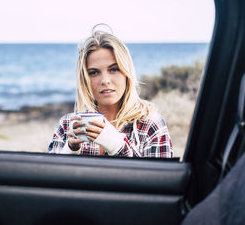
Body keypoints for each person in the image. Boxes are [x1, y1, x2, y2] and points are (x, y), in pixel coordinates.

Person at [47, 24, 173, 158]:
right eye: (94, 72)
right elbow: (50, 177)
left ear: (126, 73)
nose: (105, 80)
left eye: (114, 69)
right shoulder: (68, 125)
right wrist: (71, 149)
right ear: (85, 79)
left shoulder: (150, 125)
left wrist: (115, 144)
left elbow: (156, 178)